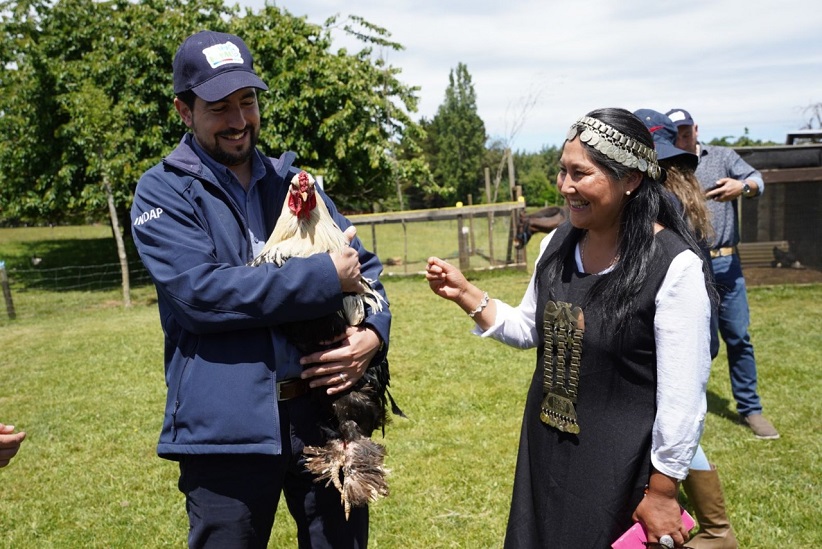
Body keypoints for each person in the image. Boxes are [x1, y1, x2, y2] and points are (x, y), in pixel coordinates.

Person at [131, 31, 390, 548]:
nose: (238, 120)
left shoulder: (294, 181)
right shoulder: (161, 191)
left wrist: (373, 338)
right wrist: (321, 279)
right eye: (218, 107)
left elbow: (366, 270)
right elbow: (201, 294)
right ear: (184, 110)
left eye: (247, 102)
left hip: (324, 415)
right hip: (226, 431)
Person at [427, 108, 714, 547]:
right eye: (563, 171)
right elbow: (529, 327)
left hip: (619, 467)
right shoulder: (557, 245)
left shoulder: (673, 267)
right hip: (547, 448)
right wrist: (466, 293)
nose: (565, 186)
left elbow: (682, 398)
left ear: (631, 180)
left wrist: (662, 490)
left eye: (581, 173)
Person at [636, 109, 737, 548]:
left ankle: (713, 529)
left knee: (666, 424)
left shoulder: (658, 201)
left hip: (673, 328)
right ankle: (717, 528)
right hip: (697, 326)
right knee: (673, 423)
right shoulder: (684, 195)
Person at [666, 108, 779, 441]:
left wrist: (741, 187)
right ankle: (685, 407)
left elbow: (758, 180)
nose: (683, 137)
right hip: (690, 266)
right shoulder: (670, 167)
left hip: (727, 264)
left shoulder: (723, 156)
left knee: (739, 337)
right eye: (676, 132)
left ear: (696, 129)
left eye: (687, 131)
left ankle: (751, 409)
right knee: (695, 342)